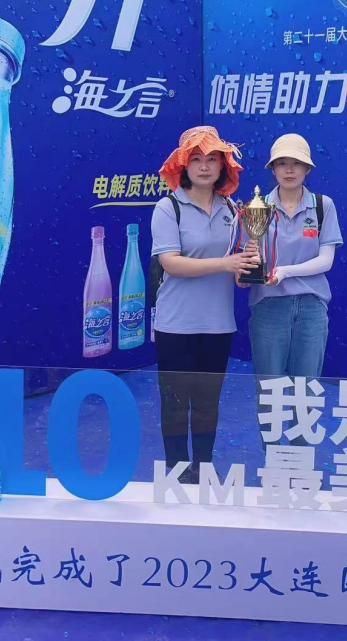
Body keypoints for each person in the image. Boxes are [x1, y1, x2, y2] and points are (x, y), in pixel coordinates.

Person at [151, 126, 260, 483]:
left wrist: (245, 268)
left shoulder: (233, 209)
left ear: (222, 167)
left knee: (207, 403)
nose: (203, 166)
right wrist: (225, 264)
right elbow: (171, 263)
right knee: (175, 402)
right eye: (196, 159)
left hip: (218, 324)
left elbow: (237, 261)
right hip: (175, 325)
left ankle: (203, 468)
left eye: (212, 159)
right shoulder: (168, 208)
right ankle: (176, 470)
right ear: (183, 165)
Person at [239, 133, 343, 445]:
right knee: (269, 390)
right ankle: (272, 459)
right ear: (272, 169)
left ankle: (300, 462)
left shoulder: (322, 206)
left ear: (307, 169)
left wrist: (285, 272)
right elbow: (246, 258)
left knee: (306, 390)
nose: (289, 169)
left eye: (296, 163)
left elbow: (325, 261)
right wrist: (244, 272)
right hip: (268, 307)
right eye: (281, 163)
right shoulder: (256, 207)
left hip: (311, 307)